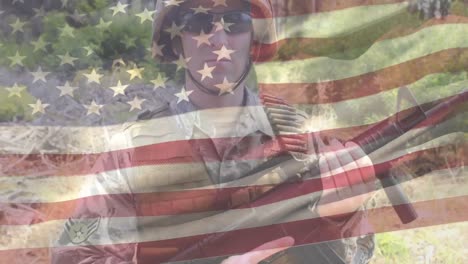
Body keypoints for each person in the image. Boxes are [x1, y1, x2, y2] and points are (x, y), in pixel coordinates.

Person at [52, 0, 376, 263]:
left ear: (254, 39)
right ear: (175, 41)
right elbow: (76, 257)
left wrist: (341, 219)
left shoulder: (298, 139)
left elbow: (358, 254)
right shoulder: (134, 148)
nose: (218, 41)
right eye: (197, 23)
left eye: (235, 22)